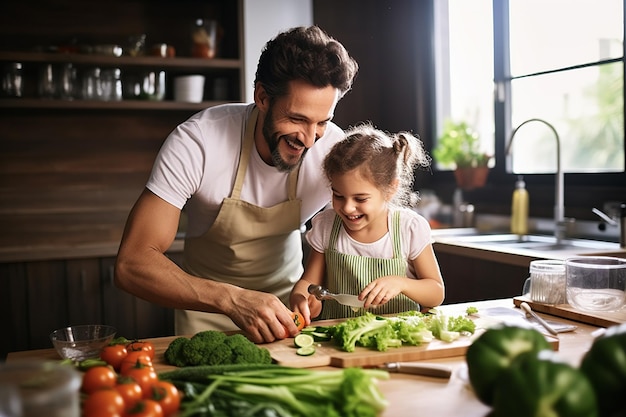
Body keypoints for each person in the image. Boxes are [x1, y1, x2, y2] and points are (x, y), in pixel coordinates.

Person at [114, 26, 358, 343]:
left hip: (290, 312)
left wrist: (313, 282)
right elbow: (131, 263)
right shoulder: (199, 141)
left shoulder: (333, 151)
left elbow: (343, 235)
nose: (310, 139)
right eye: (297, 119)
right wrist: (231, 299)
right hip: (206, 315)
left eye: (322, 122)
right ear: (262, 98)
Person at [289, 123, 445, 323]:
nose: (347, 208)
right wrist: (301, 297)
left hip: (397, 341)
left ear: (390, 189)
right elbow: (309, 283)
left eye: (360, 199)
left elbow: (436, 292)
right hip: (337, 341)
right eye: (338, 195)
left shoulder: (408, 228)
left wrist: (402, 284)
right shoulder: (327, 225)